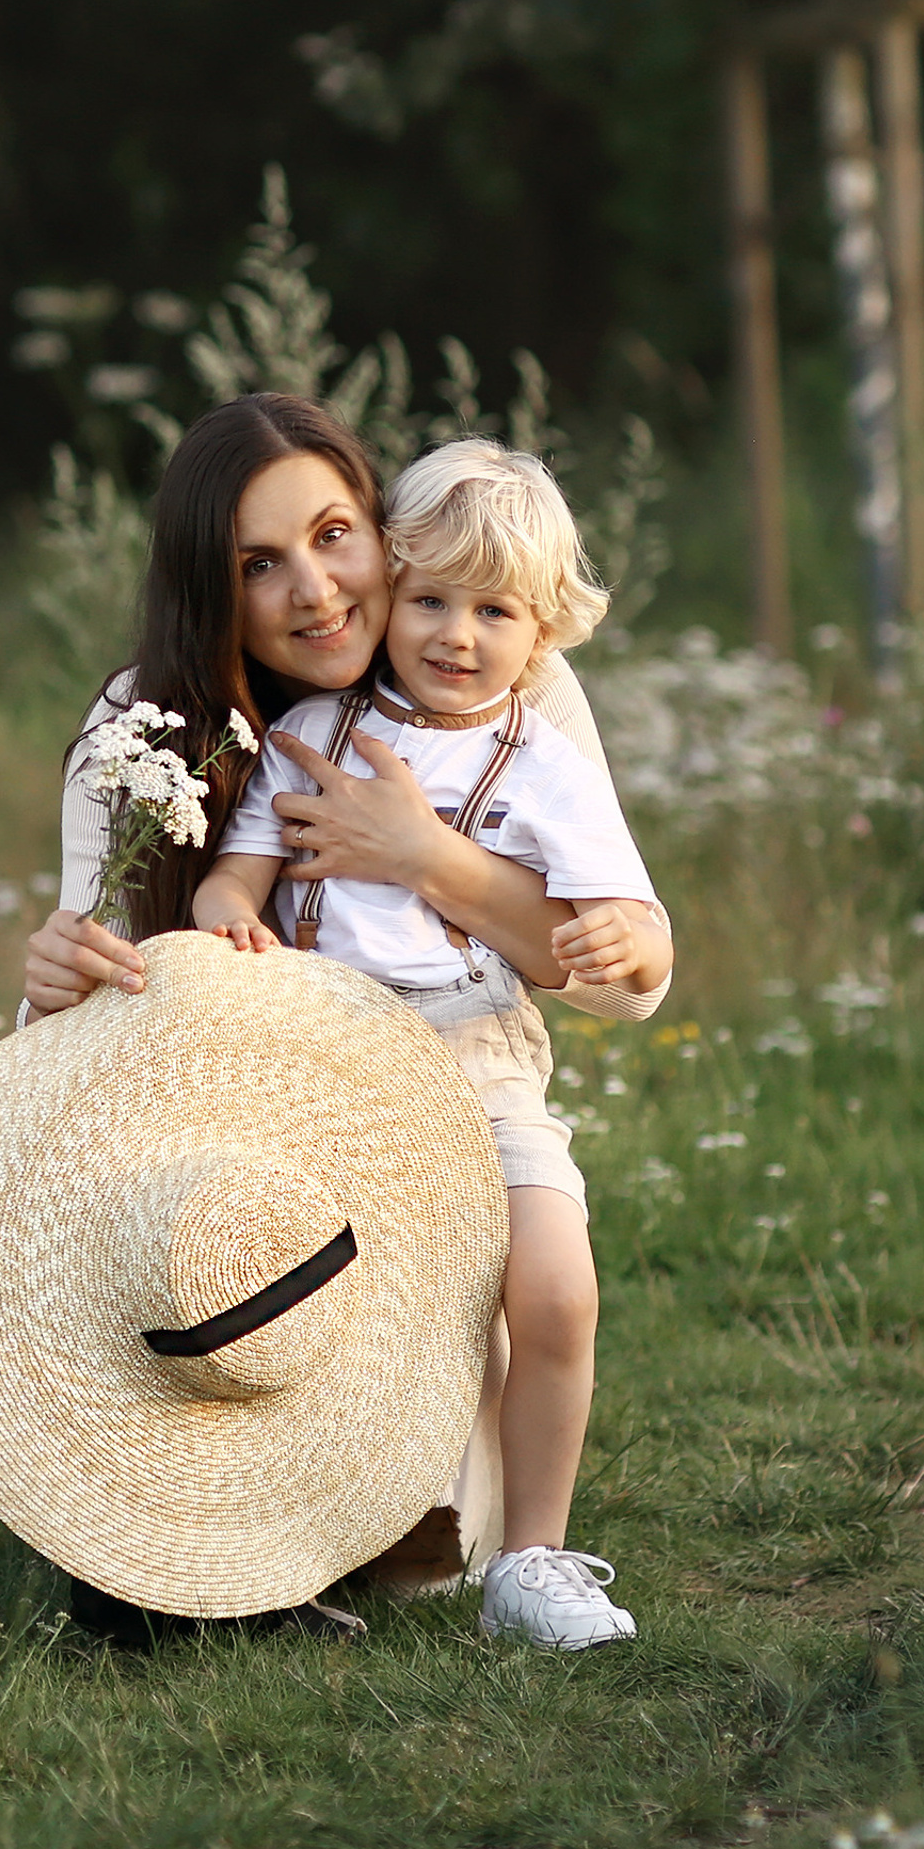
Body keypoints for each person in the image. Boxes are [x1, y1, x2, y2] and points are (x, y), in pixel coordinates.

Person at [19, 394, 664, 1630]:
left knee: (417, 1525)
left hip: (457, 1084)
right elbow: (77, 1019)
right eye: (259, 565)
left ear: (384, 531)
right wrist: (56, 978)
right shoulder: (143, 725)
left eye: (332, 535)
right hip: (254, 1114)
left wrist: (427, 857)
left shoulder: (510, 680)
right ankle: (164, 1515)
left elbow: (633, 983)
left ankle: (457, 1536)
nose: (314, 591)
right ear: (212, 595)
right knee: (207, 1255)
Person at [193, 438, 669, 1647]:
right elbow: (234, 873)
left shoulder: (543, 759)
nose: (458, 635)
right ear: (392, 591)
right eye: (432, 600)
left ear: (545, 628)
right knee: (309, 1294)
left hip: (477, 1060)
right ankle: (275, 1530)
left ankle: (535, 1558)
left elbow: (633, 928)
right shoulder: (317, 726)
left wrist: (625, 943)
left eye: (494, 610)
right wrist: (231, 917)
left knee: (555, 1285)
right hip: (328, 1067)